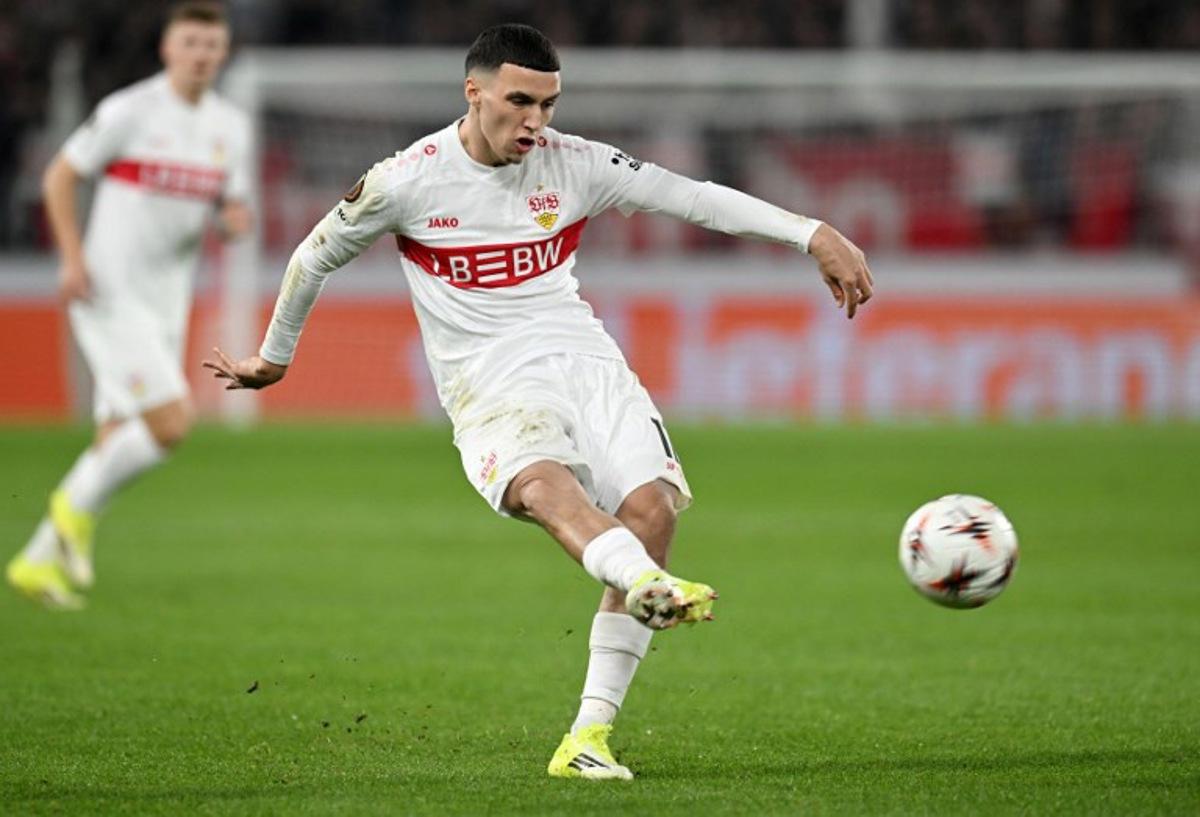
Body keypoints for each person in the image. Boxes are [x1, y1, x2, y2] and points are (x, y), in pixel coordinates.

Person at [203, 24, 872, 780]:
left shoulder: (576, 165)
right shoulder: (408, 180)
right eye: (520, 101)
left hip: (585, 360)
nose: (535, 122)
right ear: (474, 91)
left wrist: (809, 231)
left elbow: (690, 198)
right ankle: (644, 581)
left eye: (548, 104)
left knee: (652, 509)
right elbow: (312, 256)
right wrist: (274, 358)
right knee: (542, 486)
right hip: (487, 381)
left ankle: (588, 736)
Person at [6, 1, 252, 610]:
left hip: (167, 301)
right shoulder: (130, 111)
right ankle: (67, 514)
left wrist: (232, 219)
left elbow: (233, 209)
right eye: (190, 43)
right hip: (107, 290)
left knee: (118, 436)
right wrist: (70, 258)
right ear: (168, 49)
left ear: (223, 54)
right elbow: (60, 177)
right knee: (169, 423)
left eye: (211, 45)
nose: (201, 55)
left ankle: (38, 561)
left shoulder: (231, 128)